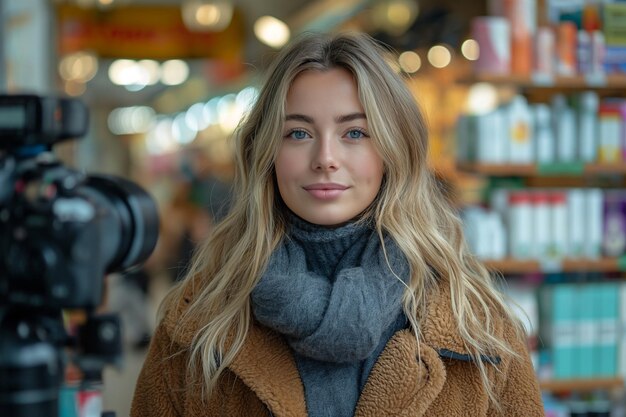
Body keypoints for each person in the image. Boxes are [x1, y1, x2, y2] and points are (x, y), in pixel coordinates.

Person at [131, 32, 543, 416]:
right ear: (266, 152)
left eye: (355, 132)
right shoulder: (198, 321)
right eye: (297, 133)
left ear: (393, 148)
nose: (326, 157)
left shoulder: (472, 321)